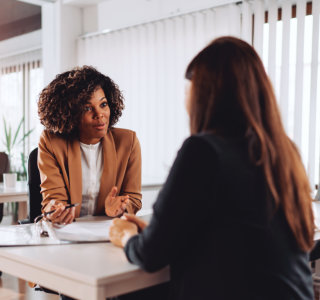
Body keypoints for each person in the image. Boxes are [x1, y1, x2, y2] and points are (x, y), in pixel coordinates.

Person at [109, 36, 315, 300]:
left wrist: (127, 237)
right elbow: (231, 234)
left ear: (205, 93)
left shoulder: (203, 151)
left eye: (189, 87)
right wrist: (154, 232)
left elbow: (151, 255)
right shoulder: (284, 150)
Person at [37, 66, 142, 224]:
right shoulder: (51, 142)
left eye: (103, 104)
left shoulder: (128, 142)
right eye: (87, 108)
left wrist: (121, 207)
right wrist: (56, 209)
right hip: (68, 232)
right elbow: (52, 198)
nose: (99, 114)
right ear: (70, 113)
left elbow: (133, 199)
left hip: (106, 234)